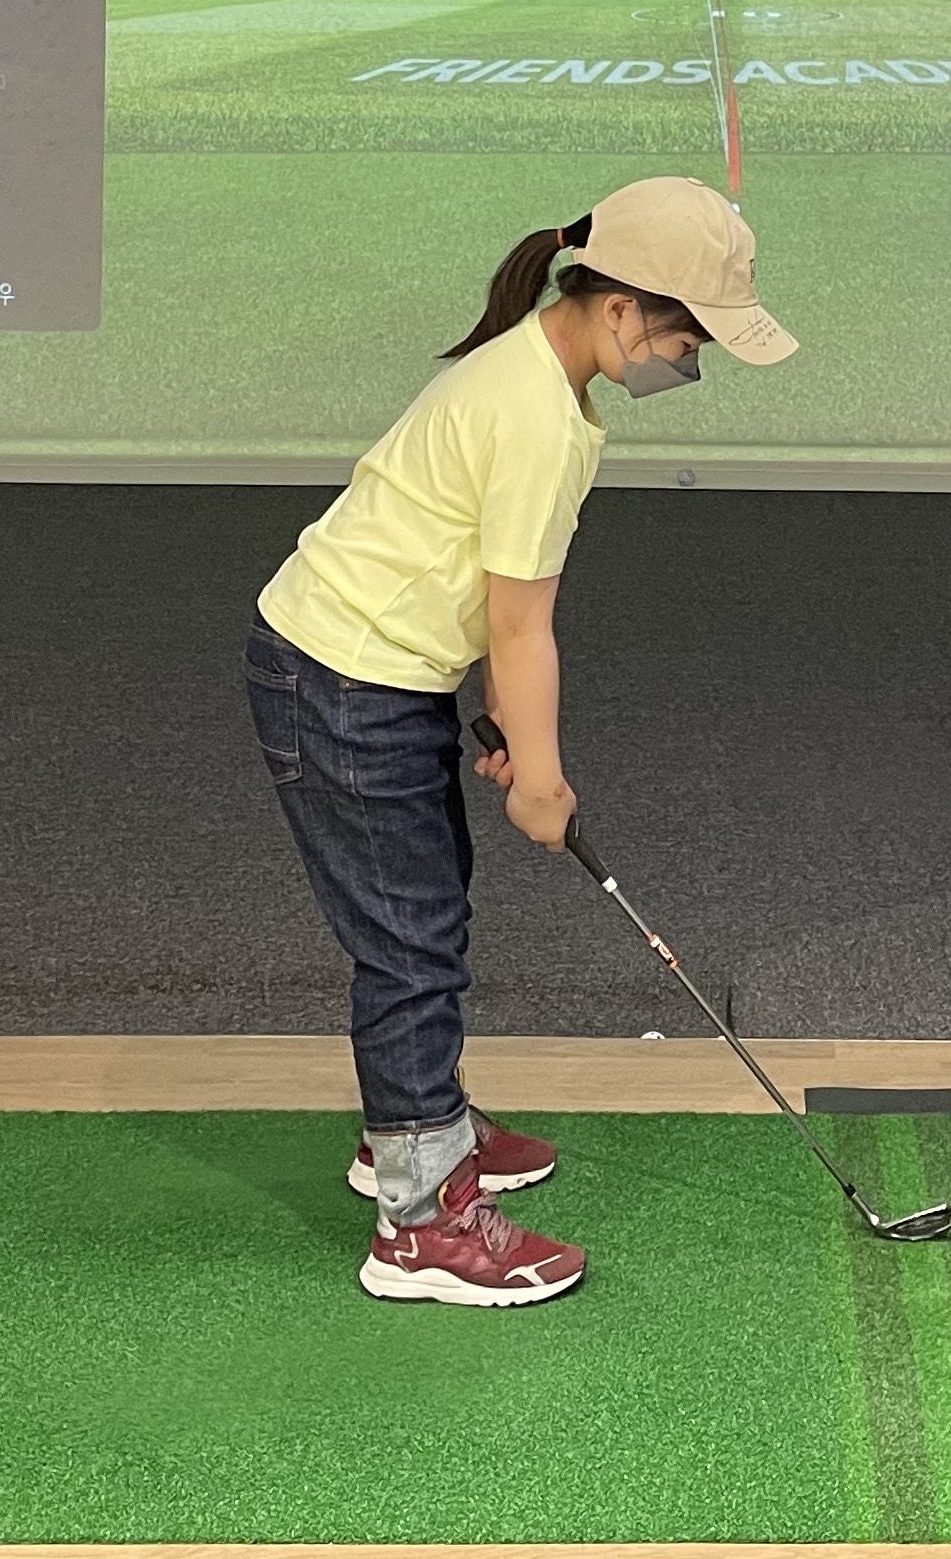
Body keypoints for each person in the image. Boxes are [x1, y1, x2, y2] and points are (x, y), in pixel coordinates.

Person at [245, 174, 797, 1305]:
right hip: (342, 681)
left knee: (428, 913)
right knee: (409, 946)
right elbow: (519, 622)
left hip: (373, 671)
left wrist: (500, 720)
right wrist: (538, 778)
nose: (689, 361)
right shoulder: (537, 416)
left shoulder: (543, 380)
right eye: (688, 337)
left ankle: (419, 1125)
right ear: (620, 308)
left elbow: (479, 583)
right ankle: (418, 1225)